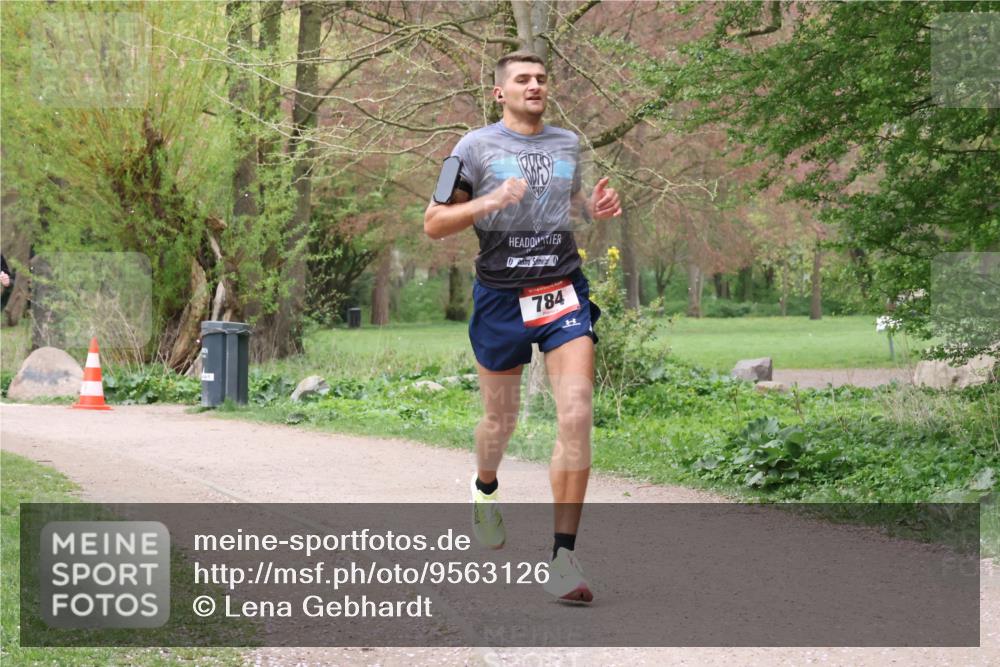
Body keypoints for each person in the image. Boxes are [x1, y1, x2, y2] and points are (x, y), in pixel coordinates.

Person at [423, 51, 621, 603]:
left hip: (561, 292)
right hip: (501, 300)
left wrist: (592, 209)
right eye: (523, 79)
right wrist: (489, 200)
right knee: (500, 420)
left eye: (541, 78)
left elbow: (565, 207)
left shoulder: (567, 143)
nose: (535, 85)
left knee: (576, 413)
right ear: (499, 93)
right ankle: (485, 487)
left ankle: (563, 556)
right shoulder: (469, 148)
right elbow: (434, 222)